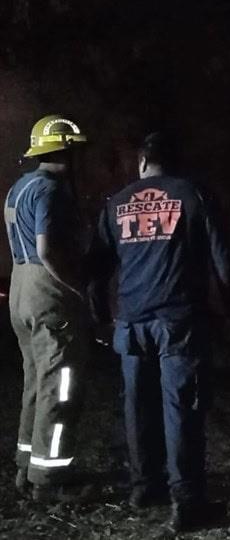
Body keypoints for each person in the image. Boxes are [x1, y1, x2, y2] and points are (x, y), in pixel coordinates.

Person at [88, 132, 230, 532]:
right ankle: (188, 502)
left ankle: (145, 487)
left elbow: (97, 267)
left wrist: (100, 315)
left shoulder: (116, 203)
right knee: (182, 408)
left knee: (137, 405)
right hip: (179, 322)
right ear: (175, 163)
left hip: (131, 321)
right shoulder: (192, 195)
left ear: (142, 162)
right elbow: (221, 257)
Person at [4, 115, 91, 501]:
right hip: (48, 291)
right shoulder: (52, 191)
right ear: (66, 150)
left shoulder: (18, 188)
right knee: (60, 386)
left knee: (35, 381)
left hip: (19, 287)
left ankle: (26, 467)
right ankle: (49, 480)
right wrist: (75, 286)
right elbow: (46, 248)